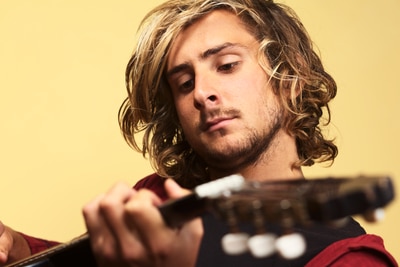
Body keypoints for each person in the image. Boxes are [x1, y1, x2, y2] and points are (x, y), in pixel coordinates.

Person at [0, 0, 397, 266]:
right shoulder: (156, 199)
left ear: (289, 76)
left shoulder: (347, 258)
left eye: (226, 65)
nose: (203, 93)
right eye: (185, 83)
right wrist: (21, 249)